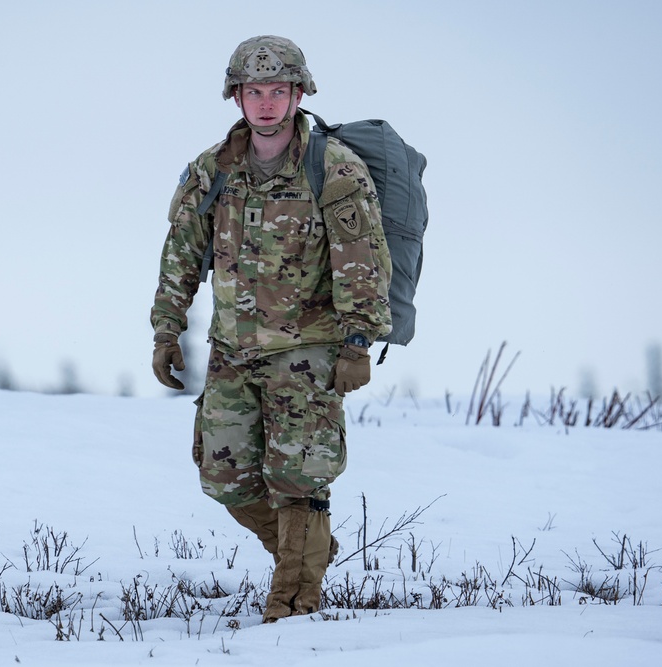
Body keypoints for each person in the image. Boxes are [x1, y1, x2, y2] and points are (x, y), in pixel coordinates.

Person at [150, 35, 392, 623]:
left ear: (299, 93)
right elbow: (181, 251)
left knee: (298, 479)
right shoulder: (213, 169)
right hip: (233, 349)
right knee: (223, 475)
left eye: (277, 91)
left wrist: (358, 342)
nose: (264, 103)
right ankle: (309, 550)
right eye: (253, 91)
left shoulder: (334, 169)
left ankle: (291, 609)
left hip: (306, 350)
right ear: (236, 97)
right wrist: (166, 329)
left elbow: (361, 258)